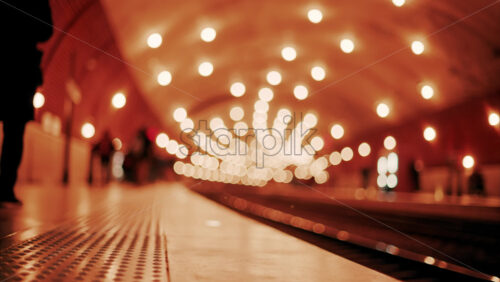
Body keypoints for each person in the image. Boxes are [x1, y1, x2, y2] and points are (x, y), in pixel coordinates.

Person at [0, 1, 53, 203]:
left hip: (22, 71)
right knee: (15, 132)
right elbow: (46, 30)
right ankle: (6, 187)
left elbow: (47, 30)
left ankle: (5, 186)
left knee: (15, 131)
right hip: (23, 70)